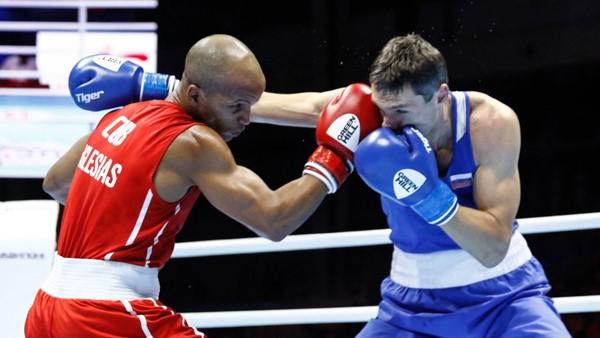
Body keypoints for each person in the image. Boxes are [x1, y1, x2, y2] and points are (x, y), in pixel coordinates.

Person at [24, 34, 381, 337]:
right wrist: (335, 157)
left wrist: (123, 205)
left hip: (46, 309)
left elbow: (57, 183)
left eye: (251, 105)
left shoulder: (122, 113)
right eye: (238, 106)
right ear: (194, 95)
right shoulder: (195, 142)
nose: (246, 118)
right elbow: (274, 220)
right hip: (106, 312)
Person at [353, 33, 570, 337]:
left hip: (505, 301)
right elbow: (277, 103)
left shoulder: (490, 123)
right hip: (410, 309)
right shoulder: (377, 110)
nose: (387, 124)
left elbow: (493, 248)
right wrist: (257, 95)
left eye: (401, 110)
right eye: (381, 109)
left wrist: (429, 197)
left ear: (441, 95)